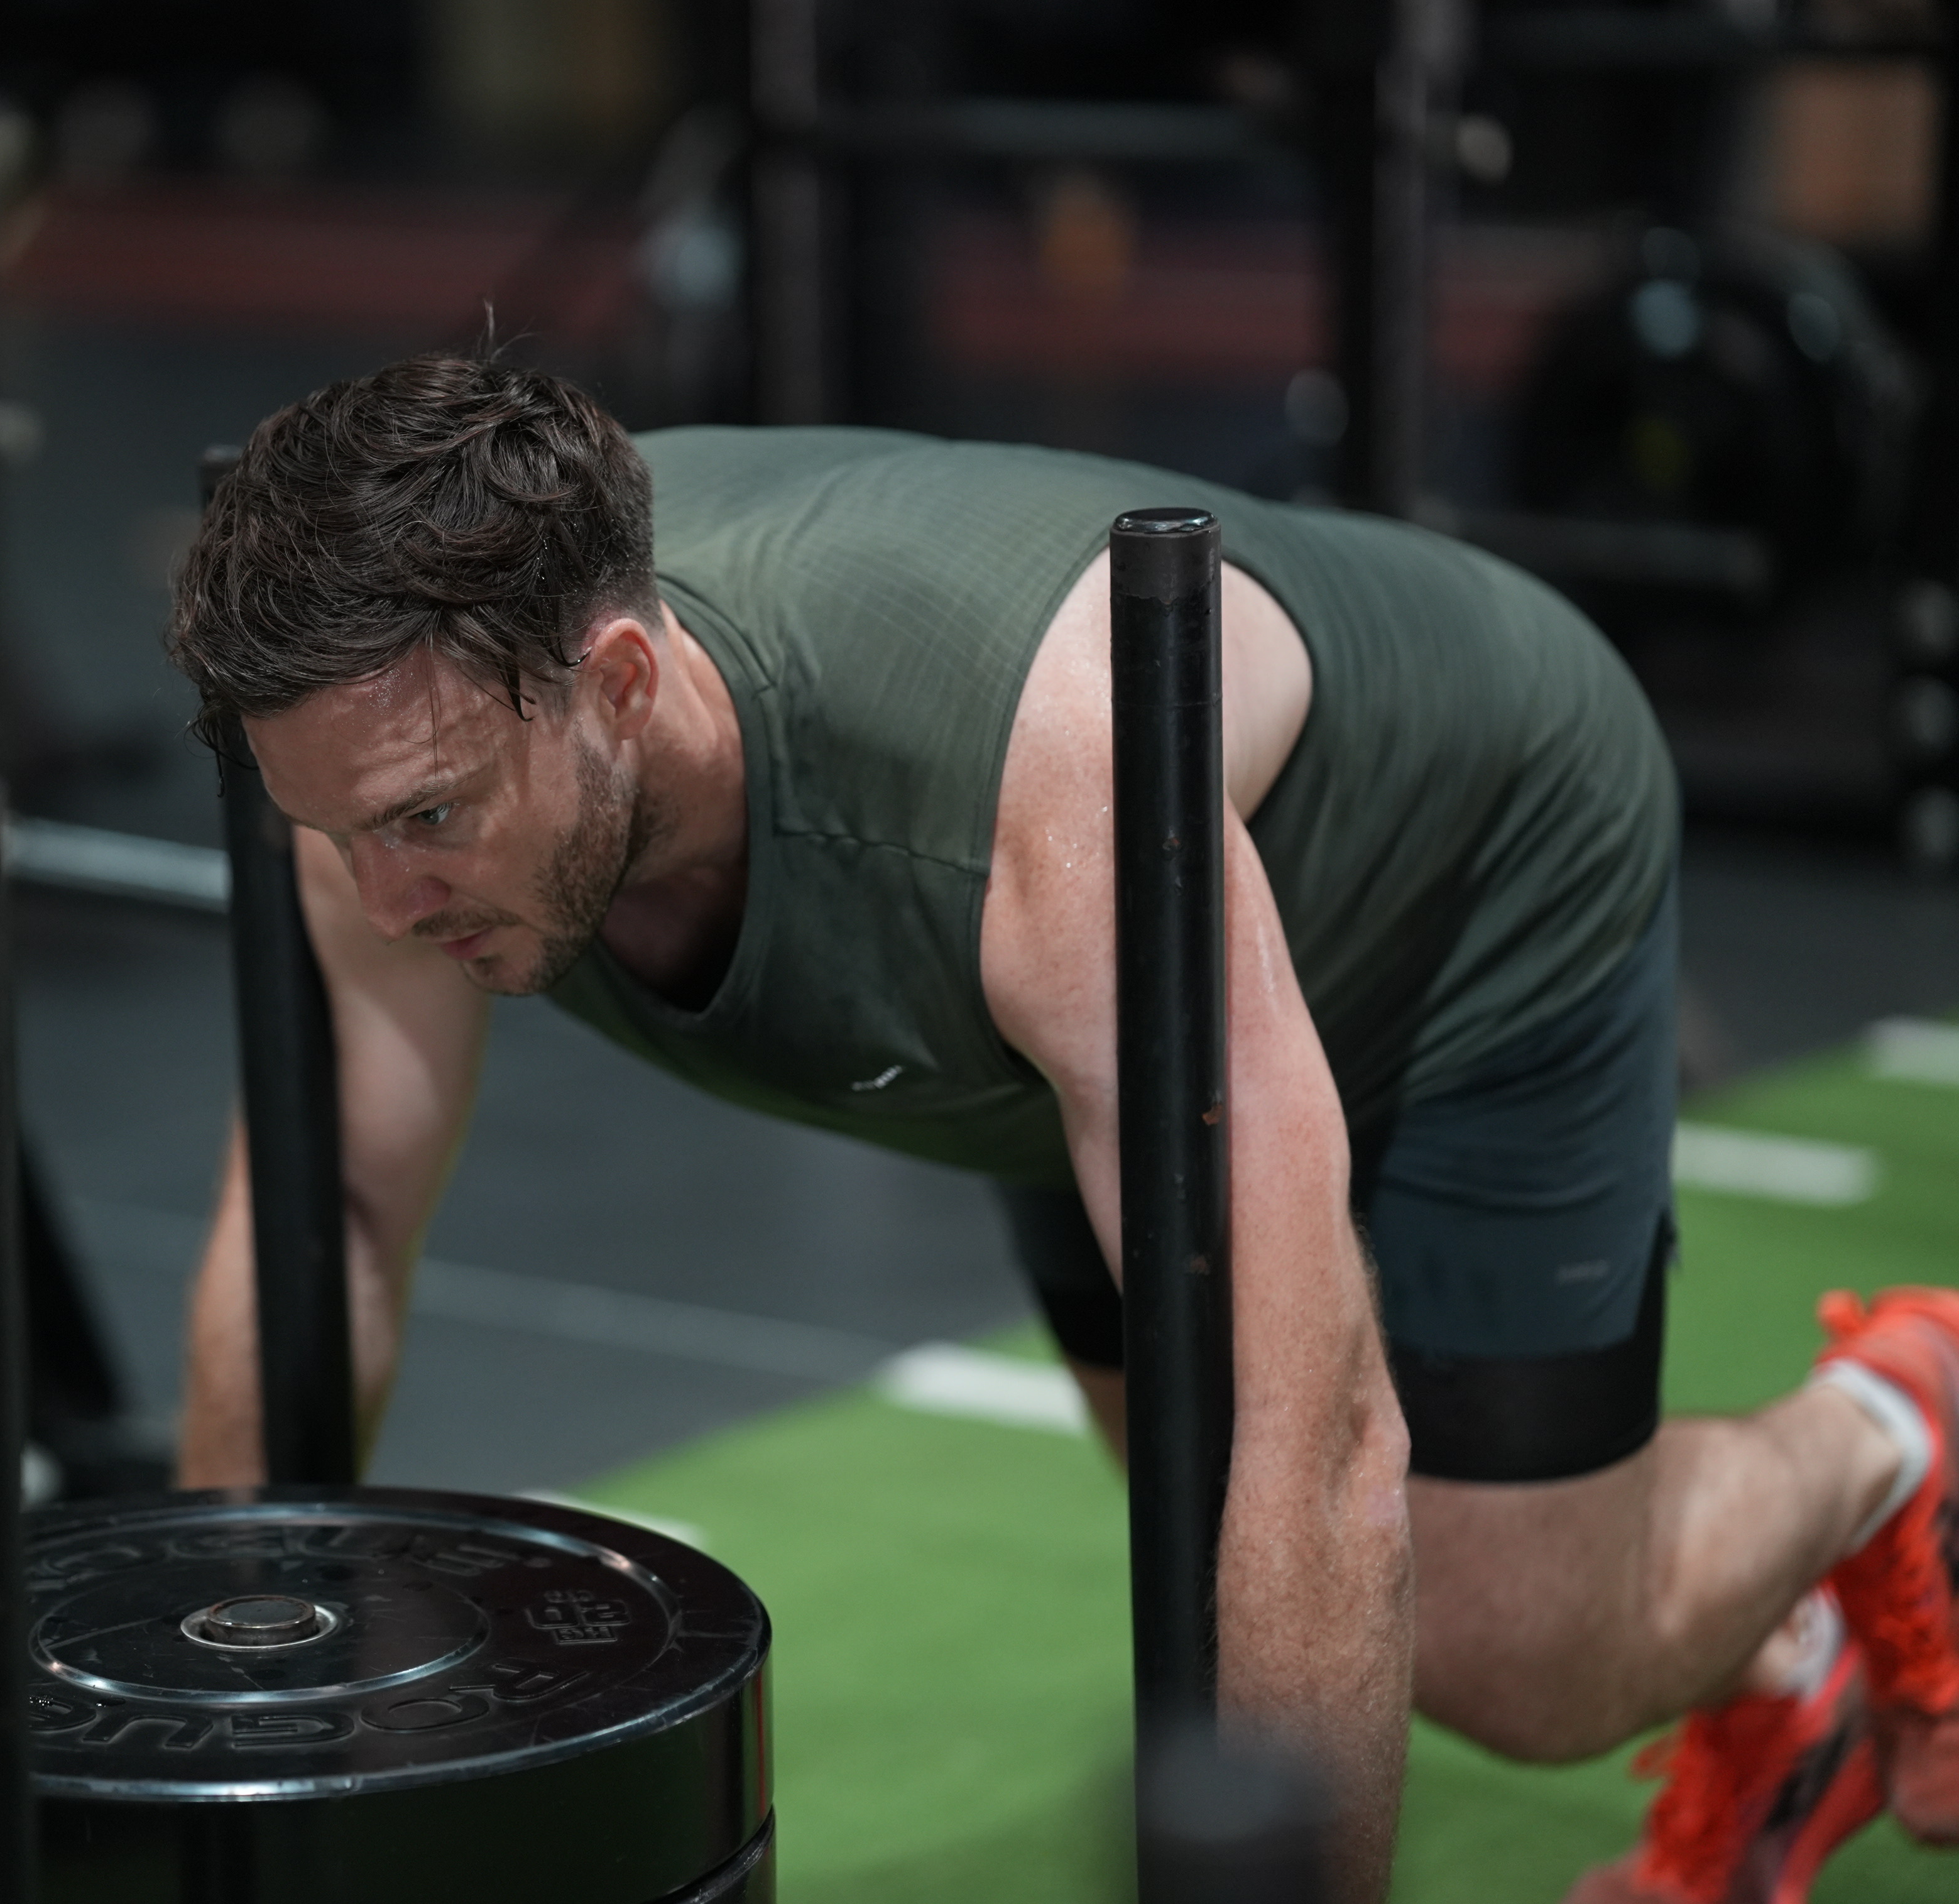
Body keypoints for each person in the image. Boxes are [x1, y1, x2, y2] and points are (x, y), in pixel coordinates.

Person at [161, 352, 1959, 1900]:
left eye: (427, 822)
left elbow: (1320, 1444)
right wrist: (224, 1773)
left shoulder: (1051, 805)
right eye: (333, 835)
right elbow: (332, 1226)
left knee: (1513, 1651)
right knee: (1210, 1545)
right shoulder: (393, 742)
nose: (381, 901)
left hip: (1459, 893)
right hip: (1059, 1020)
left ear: (621, 687)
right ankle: (1788, 1654)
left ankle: (1901, 1426)